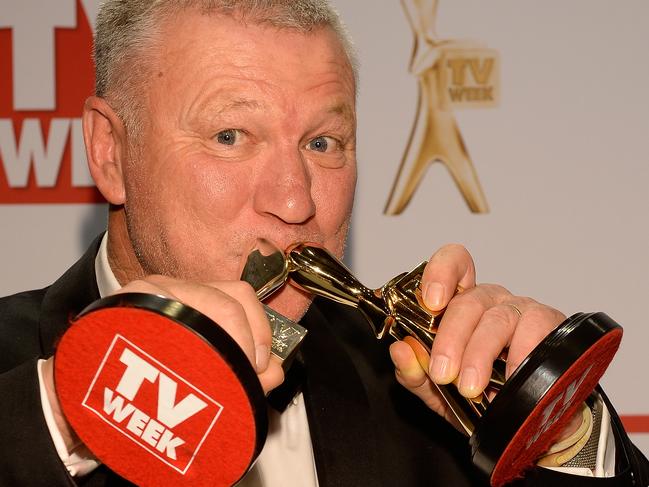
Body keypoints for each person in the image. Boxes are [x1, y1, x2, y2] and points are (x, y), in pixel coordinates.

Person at [0, 1, 647, 485]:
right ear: (110, 152)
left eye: (321, 143)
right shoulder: (17, 384)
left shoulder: (419, 399)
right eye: (231, 135)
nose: (295, 200)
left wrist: (555, 432)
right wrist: (69, 414)